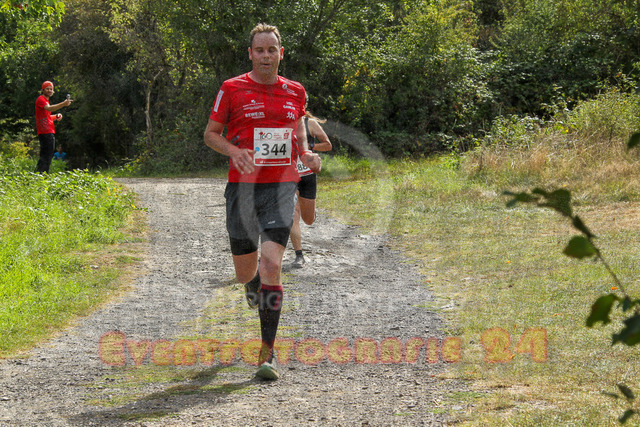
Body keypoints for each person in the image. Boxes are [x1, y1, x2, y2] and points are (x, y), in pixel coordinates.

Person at [203, 23, 321, 380]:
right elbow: (211, 134)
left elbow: (298, 128)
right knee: (246, 273)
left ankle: (267, 354)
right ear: (250, 53)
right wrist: (234, 151)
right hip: (242, 191)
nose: (266, 56)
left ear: (280, 54)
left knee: (271, 265)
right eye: (260, 50)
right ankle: (252, 284)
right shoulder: (232, 88)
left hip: (281, 188)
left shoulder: (295, 91)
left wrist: (305, 153)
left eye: (272, 50)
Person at [290, 103, 332, 268]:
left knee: (308, 220)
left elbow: (327, 144)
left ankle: (312, 213)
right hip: (289, 176)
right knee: (293, 214)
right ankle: (299, 255)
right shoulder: (281, 122)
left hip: (307, 176)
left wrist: (309, 147)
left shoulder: (310, 123)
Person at [35, 81, 72, 173]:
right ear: (43, 90)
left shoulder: (45, 100)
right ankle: (42, 174)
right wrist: (63, 104)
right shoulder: (41, 99)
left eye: (51, 89)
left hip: (47, 130)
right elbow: (49, 108)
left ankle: (39, 174)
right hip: (45, 131)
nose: (49, 90)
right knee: (46, 155)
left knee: (47, 155)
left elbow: (46, 117)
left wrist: (56, 116)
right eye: (47, 89)